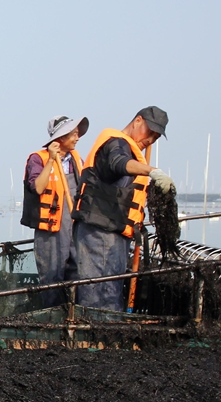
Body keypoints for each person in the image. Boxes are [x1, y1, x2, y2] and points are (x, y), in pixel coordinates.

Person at [72, 106, 173, 311]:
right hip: (99, 232)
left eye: (156, 137)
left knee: (111, 291)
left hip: (115, 233)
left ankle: (105, 336)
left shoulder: (130, 149)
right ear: (137, 121)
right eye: (149, 131)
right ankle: (95, 340)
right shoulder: (115, 143)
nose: (150, 140)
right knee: (99, 295)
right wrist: (152, 171)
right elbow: (118, 163)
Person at [21, 115, 88, 307]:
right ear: (61, 137)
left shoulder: (76, 158)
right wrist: (51, 160)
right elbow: (39, 188)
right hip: (51, 231)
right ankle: (53, 317)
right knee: (52, 276)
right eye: (73, 134)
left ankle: (75, 315)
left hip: (74, 226)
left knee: (77, 272)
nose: (77, 137)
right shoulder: (38, 159)